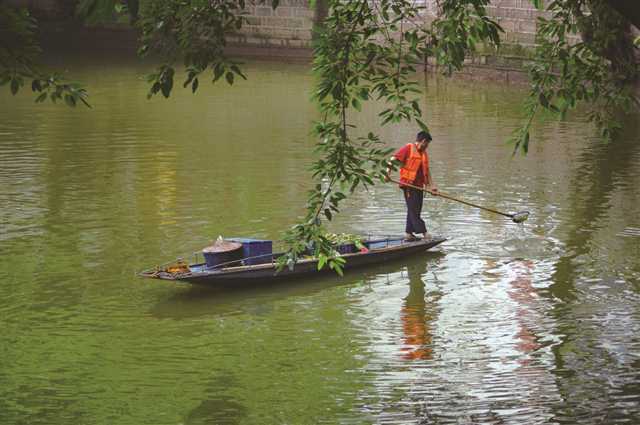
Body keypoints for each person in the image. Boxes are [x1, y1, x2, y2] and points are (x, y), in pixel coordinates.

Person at [387, 131, 438, 241]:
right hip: (409, 185)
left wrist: (432, 186)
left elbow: (427, 171)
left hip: (419, 186)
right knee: (414, 210)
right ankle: (425, 233)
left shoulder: (423, 153)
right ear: (423, 141)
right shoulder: (408, 148)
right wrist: (387, 174)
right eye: (427, 144)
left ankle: (408, 233)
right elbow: (392, 160)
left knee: (415, 210)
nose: (427, 147)